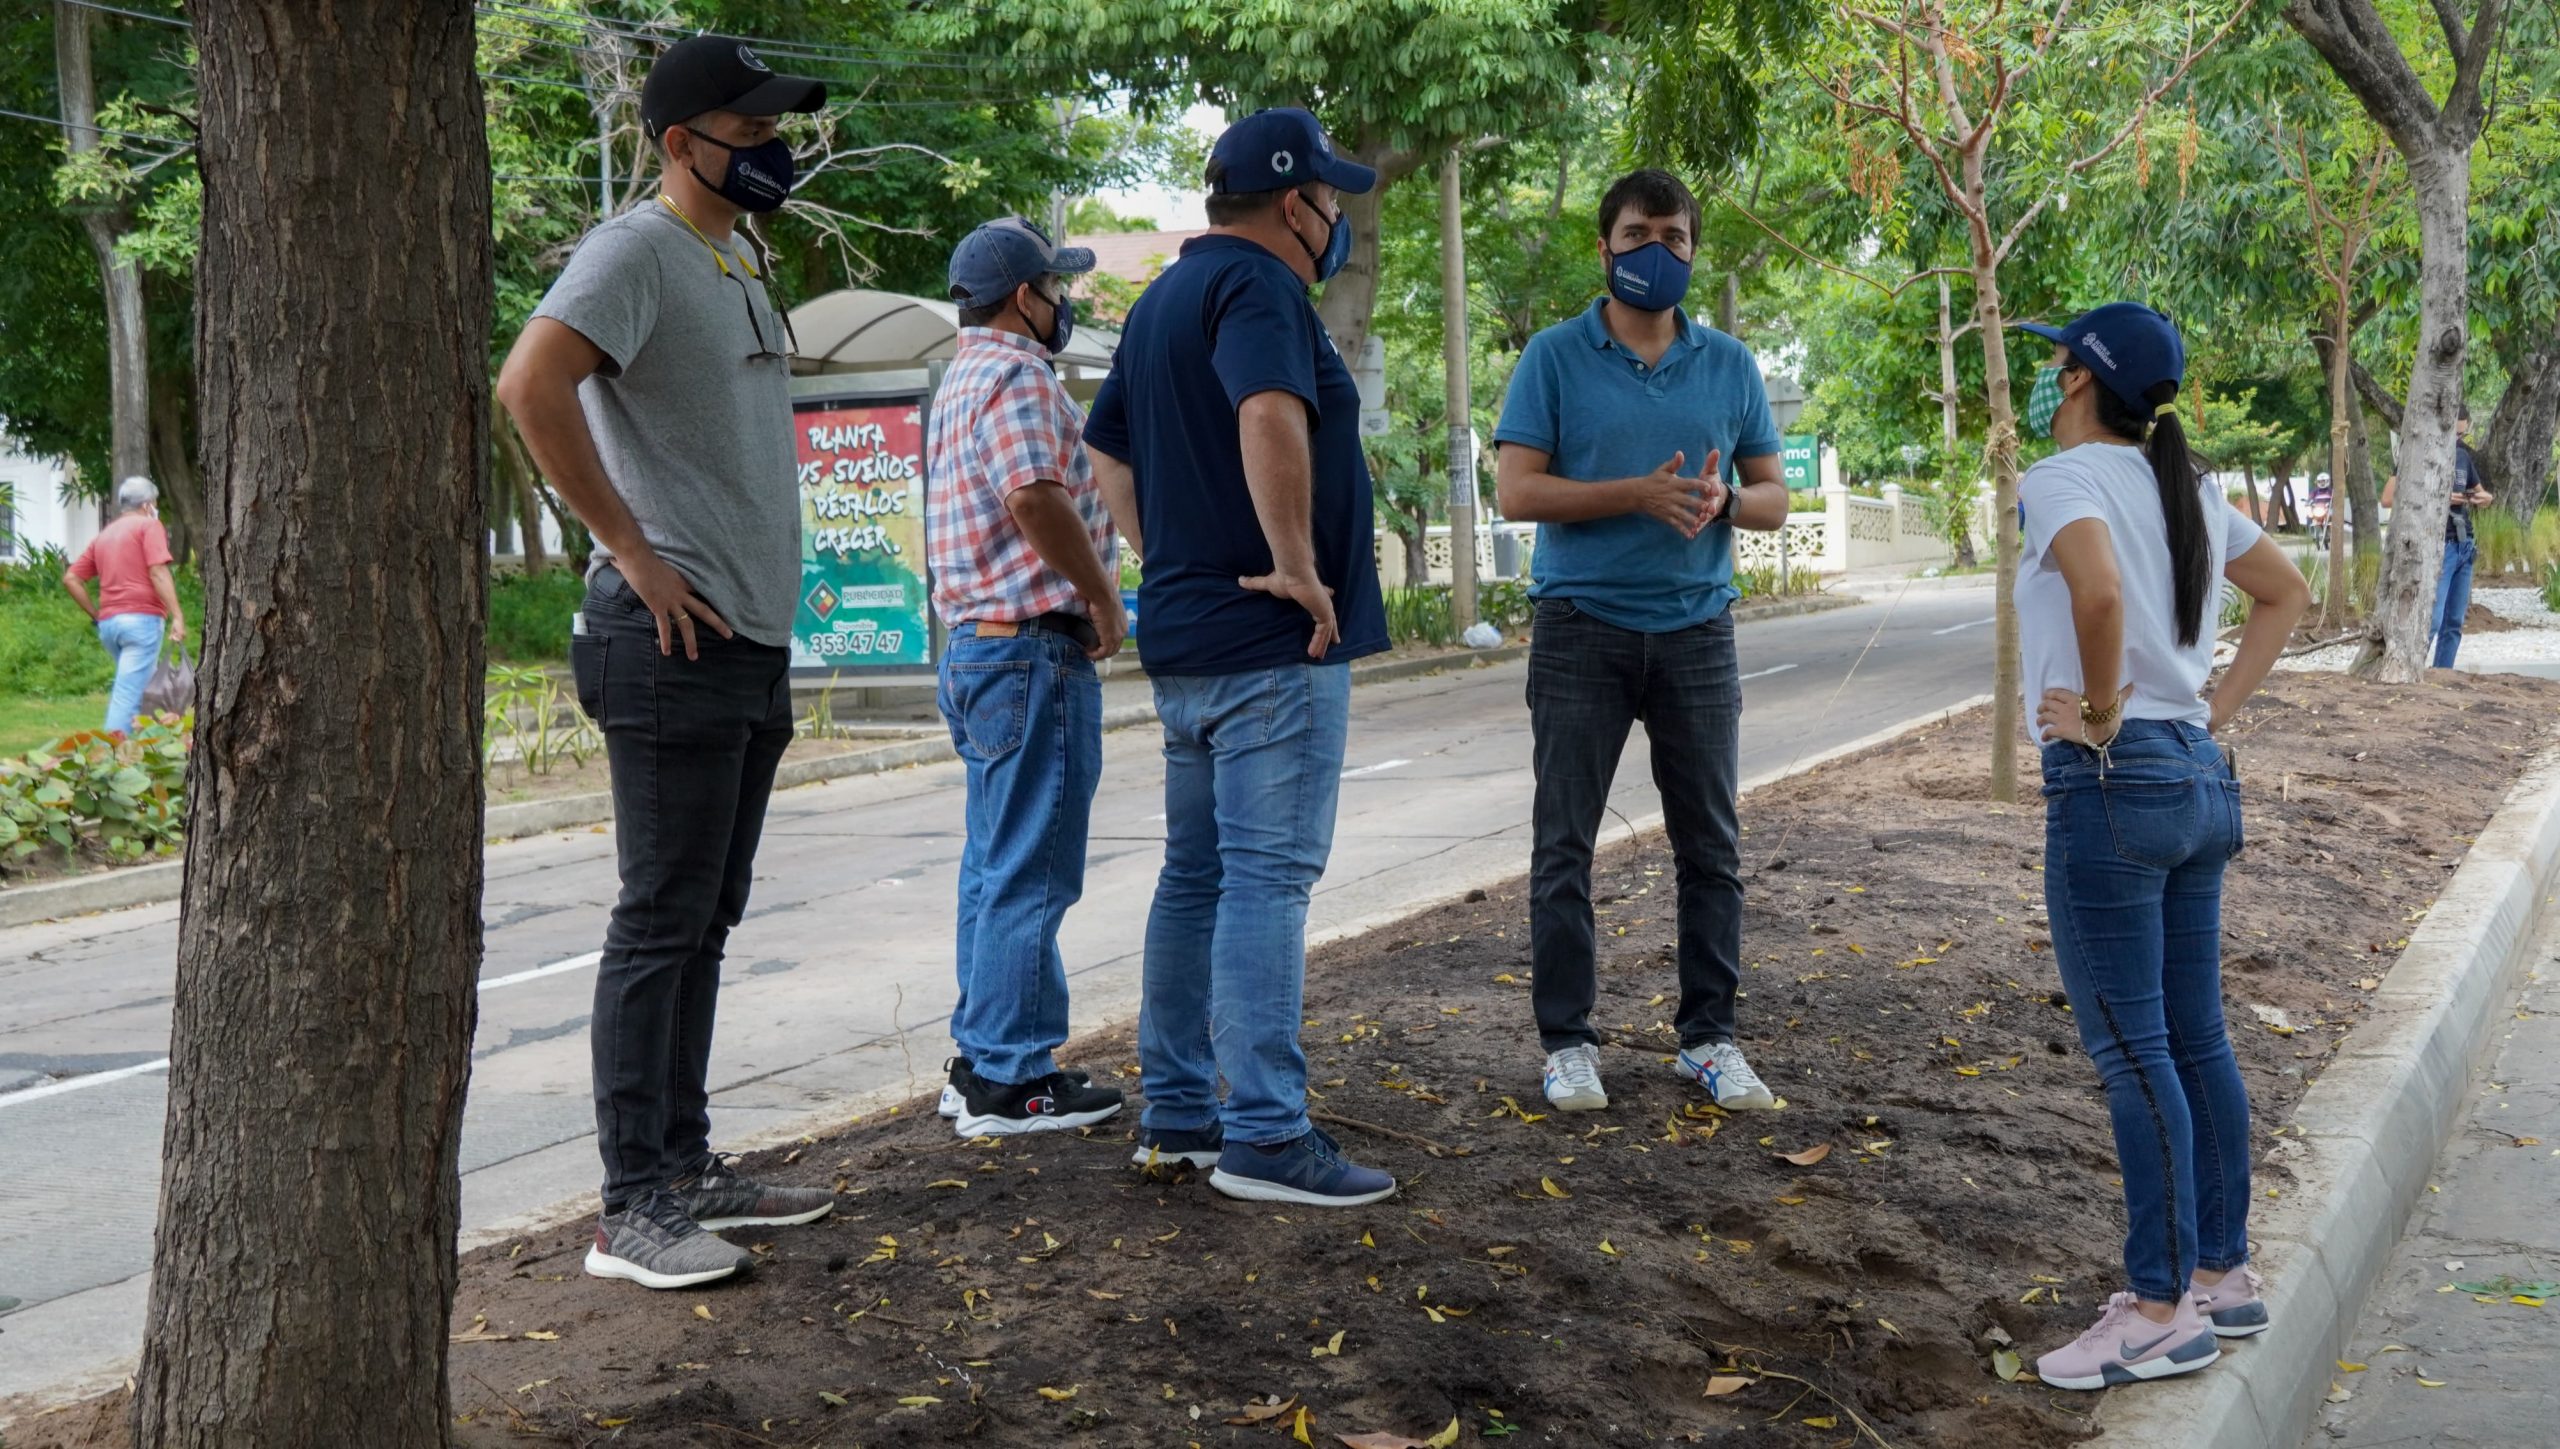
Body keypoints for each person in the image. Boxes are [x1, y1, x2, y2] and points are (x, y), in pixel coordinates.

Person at [495, 35, 835, 1291]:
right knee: (659, 920)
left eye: (772, 127)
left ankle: (686, 1167)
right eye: (745, 130)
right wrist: (631, 552)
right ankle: (630, 1205)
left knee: (704, 917)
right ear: (678, 141)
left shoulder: (734, 251)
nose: (768, 148)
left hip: (746, 638)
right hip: (666, 639)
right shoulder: (634, 249)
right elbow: (529, 385)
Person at [1082, 108, 1395, 1208]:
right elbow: (1270, 410)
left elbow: (1106, 448)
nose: (1337, 221)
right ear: (1292, 201)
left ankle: (1178, 1114)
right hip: (1274, 638)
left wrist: (1169, 552)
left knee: (1196, 877)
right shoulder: (1261, 288)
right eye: (1331, 201)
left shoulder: (1160, 299)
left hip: (1189, 637)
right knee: (1266, 880)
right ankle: (1265, 1134)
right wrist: (1294, 562)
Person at [2012, 303, 2310, 1390]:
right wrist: (2208, 709)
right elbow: (2286, 593)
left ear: (2078, 381)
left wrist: (2097, 709)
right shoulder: (2185, 485)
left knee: (2136, 1052)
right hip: (2191, 773)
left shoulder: (2063, 480)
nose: (2049, 381)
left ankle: (2154, 1309)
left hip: (2112, 782)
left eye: (2055, 363)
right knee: (2193, 1041)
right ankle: (2220, 1279)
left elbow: (2094, 590)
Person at [1490, 169, 1791, 1116]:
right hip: (1581, 628)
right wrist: (1635, 492)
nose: (1655, 251)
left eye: (1674, 235)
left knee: (1711, 845)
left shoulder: (1731, 365)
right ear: (1604, 246)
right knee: (1563, 847)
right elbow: (1517, 492)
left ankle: (1709, 1040)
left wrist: (1725, 503)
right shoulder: (1552, 356)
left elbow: (1775, 497)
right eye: (1637, 233)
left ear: (1694, 251)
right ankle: (1568, 1044)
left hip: (1698, 631)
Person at [925, 215, 1129, 1137]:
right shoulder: (1016, 374)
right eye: (1057, 289)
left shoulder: (960, 376)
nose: (1065, 304)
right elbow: (1033, 495)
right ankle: (1013, 1077)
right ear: (1023, 298)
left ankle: (979, 1062)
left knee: (992, 864)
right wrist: (1102, 597)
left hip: (979, 646)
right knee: (1033, 868)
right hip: (1030, 648)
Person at [62, 477, 186, 736]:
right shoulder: (149, 526)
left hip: (110, 626)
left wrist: (96, 614)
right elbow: (158, 571)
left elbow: (72, 578)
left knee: (147, 687)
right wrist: (177, 615)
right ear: (148, 504)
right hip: (141, 622)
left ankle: (153, 748)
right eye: (154, 503)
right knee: (127, 696)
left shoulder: (105, 535)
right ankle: (110, 762)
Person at [2432, 405, 2494, 667]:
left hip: (2463, 543)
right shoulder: (2422, 453)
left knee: (2454, 621)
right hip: (2439, 544)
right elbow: (2390, 498)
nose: (2458, 441)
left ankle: (2442, 674)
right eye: (2454, 435)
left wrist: (2480, 498)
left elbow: (2485, 495)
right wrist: (2442, 498)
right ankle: (2411, 675)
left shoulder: (2463, 458)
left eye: (2462, 435)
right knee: (2432, 620)